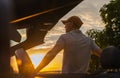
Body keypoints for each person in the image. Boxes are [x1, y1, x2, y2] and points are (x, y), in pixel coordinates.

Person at [31, 16, 102, 77]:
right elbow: (103, 55)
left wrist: (36, 70)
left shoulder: (65, 37)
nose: (64, 26)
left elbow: (51, 54)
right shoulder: (89, 40)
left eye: (66, 23)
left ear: (71, 24)